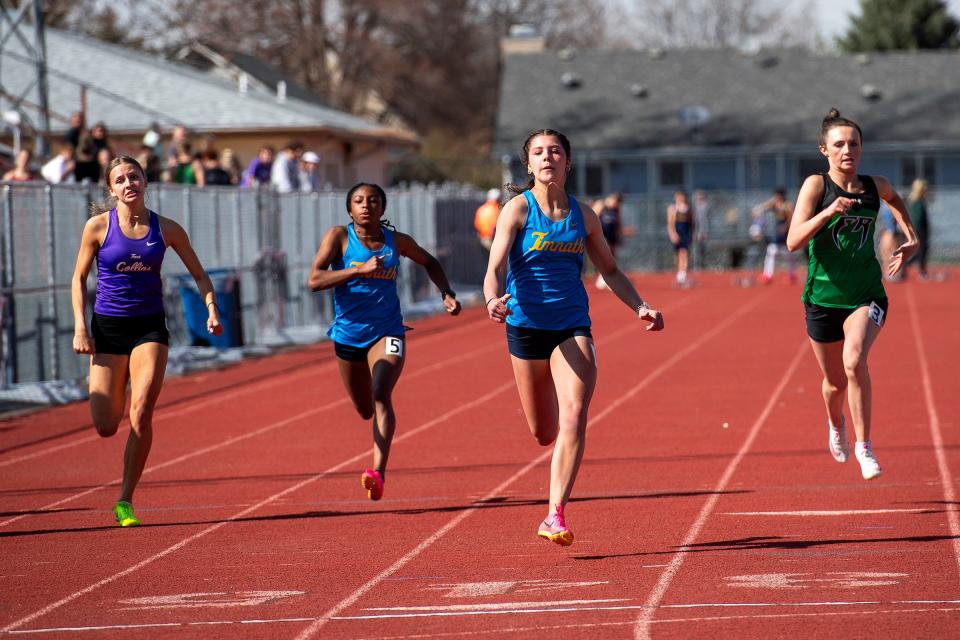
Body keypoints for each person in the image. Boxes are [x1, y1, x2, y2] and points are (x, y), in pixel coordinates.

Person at [483, 129, 664, 546]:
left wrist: (640, 306)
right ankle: (553, 492)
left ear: (569, 161)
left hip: (571, 325)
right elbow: (494, 267)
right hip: (525, 326)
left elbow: (611, 271)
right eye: (539, 153)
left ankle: (554, 513)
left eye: (556, 151)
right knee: (543, 432)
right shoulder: (517, 210)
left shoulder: (584, 216)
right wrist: (493, 299)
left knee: (575, 413)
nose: (548, 158)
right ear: (528, 165)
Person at [70, 156, 223, 526]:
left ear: (145, 181)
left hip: (149, 328)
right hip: (107, 329)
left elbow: (200, 275)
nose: (128, 184)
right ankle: (115, 385)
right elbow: (78, 280)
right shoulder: (97, 227)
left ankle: (125, 499)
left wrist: (212, 309)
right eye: (120, 180)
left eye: (134, 176)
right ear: (111, 190)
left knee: (141, 410)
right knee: (106, 425)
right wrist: (80, 328)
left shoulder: (166, 229)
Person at [307, 182, 461, 501]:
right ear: (350, 209)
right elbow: (314, 280)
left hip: (388, 331)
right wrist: (357, 270)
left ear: (382, 207)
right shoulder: (338, 237)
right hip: (348, 334)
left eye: (373, 201)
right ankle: (375, 444)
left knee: (381, 393)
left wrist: (446, 293)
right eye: (359, 201)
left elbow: (430, 261)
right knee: (365, 409)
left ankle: (377, 472)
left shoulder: (396, 242)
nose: (367, 206)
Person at [786, 108, 918, 481]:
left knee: (854, 358)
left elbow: (895, 198)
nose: (848, 150)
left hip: (867, 295)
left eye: (854, 144)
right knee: (834, 384)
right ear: (824, 150)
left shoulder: (875, 185)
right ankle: (835, 424)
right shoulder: (817, 186)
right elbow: (794, 241)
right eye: (839, 144)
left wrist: (911, 237)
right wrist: (829, 212)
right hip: (822, 299)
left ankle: (865, 445)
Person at [756, 187, 796, 284]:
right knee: (771, 251)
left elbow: (792, 218)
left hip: (786, 231)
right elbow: (764, 206)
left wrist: (786, 226)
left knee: (788, 255)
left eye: (778, 195)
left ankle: (791, 275)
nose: (776, 197)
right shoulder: (775, 203)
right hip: (777, 230)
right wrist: (758, 209)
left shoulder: (788, 205)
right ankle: (768, 275)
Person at [666, 190, 695, 287]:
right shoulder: (672, 208)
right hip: (677, 232)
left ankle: (683, 275)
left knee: (684, 253)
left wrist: (692, 234)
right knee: (678, 254)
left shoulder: (688, 208)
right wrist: (672, 234)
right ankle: (679, 274)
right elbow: (670, 223)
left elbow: (692, 223)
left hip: (685, 233)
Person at [595, 192, 623, 289]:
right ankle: (603, 278)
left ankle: (610, 278)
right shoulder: (601, 205)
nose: (616, 204)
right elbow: (593, 218)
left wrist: (620, 235)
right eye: (616, 201)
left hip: (612, 235)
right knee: (605, 256)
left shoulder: (616, 209)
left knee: (613, 257)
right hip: (602, 235)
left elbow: (618, 223)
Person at [907, 179, 930, 279]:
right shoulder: (917, 202)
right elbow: (916, 218)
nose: (927, 191)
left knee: (922, 250)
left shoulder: (919, 201)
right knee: (920, 250)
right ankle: (919, 270)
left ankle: (921, 270)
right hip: (919, 230)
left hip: (921, 229)